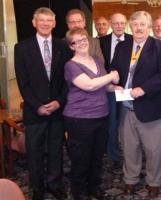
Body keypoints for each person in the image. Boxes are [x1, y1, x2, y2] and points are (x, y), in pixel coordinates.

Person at [111, 10, 161, 198]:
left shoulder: (160, 47)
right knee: (129, 148)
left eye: (142, 24)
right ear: (131, 26)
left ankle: (154, 181)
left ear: (149, 27)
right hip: (126, 107)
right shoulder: (122, 46)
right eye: (135, 24)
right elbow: (114, 67)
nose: (138, 28)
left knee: (154, 150)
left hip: (152, 107)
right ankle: (130, 179)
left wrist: (144, 88)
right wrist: (114, 81)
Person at [14, 7, 70, 200]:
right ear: (34, 23)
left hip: (57, 109)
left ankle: (54, 185)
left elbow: (66, 80)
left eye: (49, 20)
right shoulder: (21, 48)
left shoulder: (63, 46)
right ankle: (37, 188)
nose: (45, 24)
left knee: (56, 151)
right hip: (33, 111)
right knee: (34, 152)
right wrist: (37, 105)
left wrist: (59, 102)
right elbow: (23, 83)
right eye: (41, 20)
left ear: (54, 23)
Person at [63, 28, 119, 200]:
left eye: (83, 39)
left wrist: (115, 88)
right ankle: (79, 191)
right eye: (76, 42)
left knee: (97, 156)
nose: (81, 43)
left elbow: (102, 86)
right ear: (71, 46)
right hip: (80, 119)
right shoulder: (70, 65)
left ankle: (94, 187)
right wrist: (111, 76)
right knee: (81, 159)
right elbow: (89, 85)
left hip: (101, 115)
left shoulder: (96, 60)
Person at [99, 13, 131, 168]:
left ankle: (129, 155)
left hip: (129, 89)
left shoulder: (133, 40)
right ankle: (113, 156)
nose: (119, 26)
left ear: (126, 24)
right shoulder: (101, 42)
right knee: (112, 123)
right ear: (110, 24)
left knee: (127, 124)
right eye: (116, 23)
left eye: (122, 23)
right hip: (108, 90)